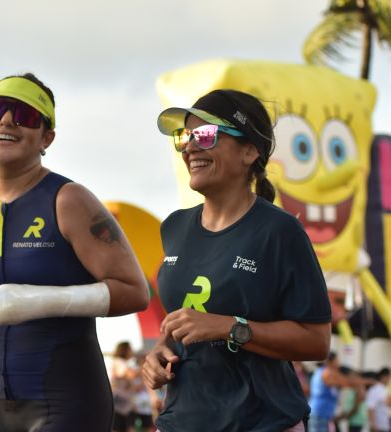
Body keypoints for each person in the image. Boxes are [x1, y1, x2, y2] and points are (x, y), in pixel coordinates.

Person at [0, 73, 149, 431]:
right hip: (0, 402)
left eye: (25, 115)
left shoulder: (69, 200)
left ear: (46, 137)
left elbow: (135, 291)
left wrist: (34, 300)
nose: (6, 121)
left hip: (67, 398)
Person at [142, 89, 333, 432]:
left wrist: (229, 326)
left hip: (263, 422)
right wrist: (159, 351)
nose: (189, 146)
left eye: (205, 135)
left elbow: (316, 341)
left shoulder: (280, 230)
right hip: (180, 422)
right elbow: (180, 322)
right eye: (185, 136)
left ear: (249, 151)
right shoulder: (173, 226)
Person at [110, 341, 139, 432]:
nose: (132, 351)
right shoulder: (118, 362)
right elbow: (130, 374)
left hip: (125, 404)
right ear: (125, 350)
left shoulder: (123, 363)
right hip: (119, 403)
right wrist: (144, 367)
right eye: (130, 349)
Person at [366, 367, 391, 432]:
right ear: (384, 377)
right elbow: (370, 408)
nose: (389, 380)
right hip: (378, 427)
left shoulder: (383, 389)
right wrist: (373, 425)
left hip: (384, 425)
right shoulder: (376, 389)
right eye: (388, 377)